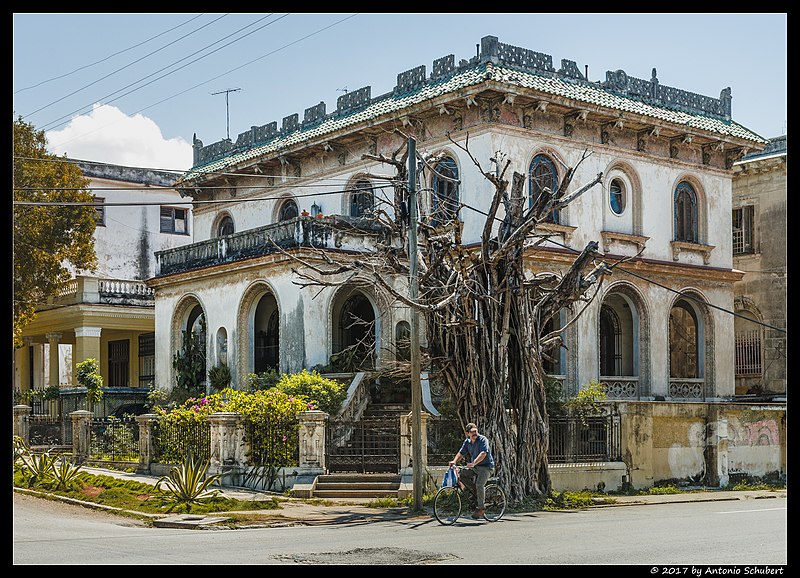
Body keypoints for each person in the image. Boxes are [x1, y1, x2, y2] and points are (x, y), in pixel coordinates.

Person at [449, 422, 495, 519]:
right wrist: (454, 461)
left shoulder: (482, 439)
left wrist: (474, 463)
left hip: (486, 467)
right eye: (472, 432)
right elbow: (461, 453)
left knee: (479, 484)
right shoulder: (467, 442)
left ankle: (481, 508)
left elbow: (483, 453)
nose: (474, 434)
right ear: (467, 433)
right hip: (476, 467)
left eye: (475, 431)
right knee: (462, 475)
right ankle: (476, 492)